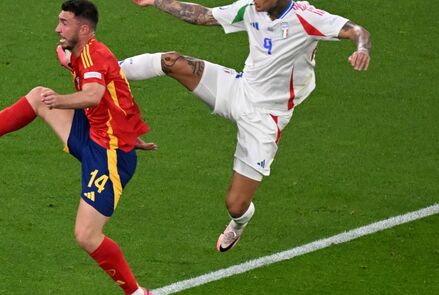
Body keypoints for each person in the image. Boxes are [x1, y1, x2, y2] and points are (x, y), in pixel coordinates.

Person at [0, 1, 154, 295]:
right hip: (95, 136)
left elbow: (94, 94)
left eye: (64, 23)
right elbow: (117, 94)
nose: (57, 28)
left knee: (86, 236)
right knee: (38, 96)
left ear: (84, 29)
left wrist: (59, 101)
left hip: (109, 155)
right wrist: (128, 130)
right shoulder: (79, 52)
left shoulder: (95, 54)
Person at [119, 0, 372, 252]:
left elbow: (357, 31)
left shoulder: (307, 17)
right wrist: (156, 2)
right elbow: (204, 16)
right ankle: (110, 70)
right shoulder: (250, 8)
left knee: (235, 205)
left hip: (265, 119)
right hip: (238, 89)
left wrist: (361, 49)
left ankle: (239, 225)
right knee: (172, 62)